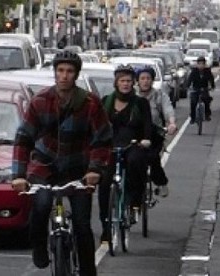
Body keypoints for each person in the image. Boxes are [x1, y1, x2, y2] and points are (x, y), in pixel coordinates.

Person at [11, 51, 113, 276]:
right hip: (44, 167)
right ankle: (39, 247)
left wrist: (95, 169)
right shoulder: (40, 101)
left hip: (79, 170)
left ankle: (88, 270)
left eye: (69, 71)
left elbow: (102, 140)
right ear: (55, 73)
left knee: (82, 225)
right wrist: (18, 175)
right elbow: (23, 139)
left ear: (76, 74)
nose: (64, 76)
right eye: (60, 71)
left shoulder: (90, 103)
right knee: (41, 205)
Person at [98, 64, 152, 242]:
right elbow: (97, 126)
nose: (126, 84)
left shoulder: (141, 103)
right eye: (122, 81)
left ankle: (135, 200)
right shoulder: (106, 101)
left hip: (133, 144)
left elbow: (147, 126)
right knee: (105, 183)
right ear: (116, 83)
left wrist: (145, 139)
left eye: (129, 81)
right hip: (110, 146)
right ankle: (106, 227)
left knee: (136, 161)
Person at [136, 65, 177, 197]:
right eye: (142, 78)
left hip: (155, 134)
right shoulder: (132, 96)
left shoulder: (159, 95)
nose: (145, 81)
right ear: (137, 81)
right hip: (135, 134)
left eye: (148, 78)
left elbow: (168, 109)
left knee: (153, 160)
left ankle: (161, 182)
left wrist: (171, 123)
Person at [186, 56, 215, 123]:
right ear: (197, 64)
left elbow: (211, 79)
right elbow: (190, 79)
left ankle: (207, 115)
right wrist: (188, 86)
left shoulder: (207, 71)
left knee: (207, 100)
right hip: (196, 89)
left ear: (205, 64)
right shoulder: (194, 71)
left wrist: (212, 86)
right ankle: (193, 118)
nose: (201, 65)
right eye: (199, 64)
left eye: (202, 64)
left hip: (204, 88)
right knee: (193, 102)